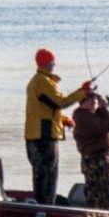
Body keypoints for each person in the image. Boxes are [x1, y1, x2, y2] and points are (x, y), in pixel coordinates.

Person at [24, 48, 90, 205]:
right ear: (47, 63)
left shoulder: (38, 81)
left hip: (37, 136)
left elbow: (44, 109)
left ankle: (43, 206)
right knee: (48, 176)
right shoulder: (43, 82)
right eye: (52, 61)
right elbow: (61, 102)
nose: (54, 64)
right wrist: (83, 92)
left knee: (42, 175)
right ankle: (45, 209)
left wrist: (62, 119)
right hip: (43, 138)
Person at [72, 88, 109, 209]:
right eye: (94, 98)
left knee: (101, 191)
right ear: (89, 100)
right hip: (96, 160)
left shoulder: (87, 115)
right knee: (99, 193)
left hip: (97, 159)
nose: (96, 101)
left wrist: (102, 109)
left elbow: (101, 123)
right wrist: (103, 109)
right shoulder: (82, 116)